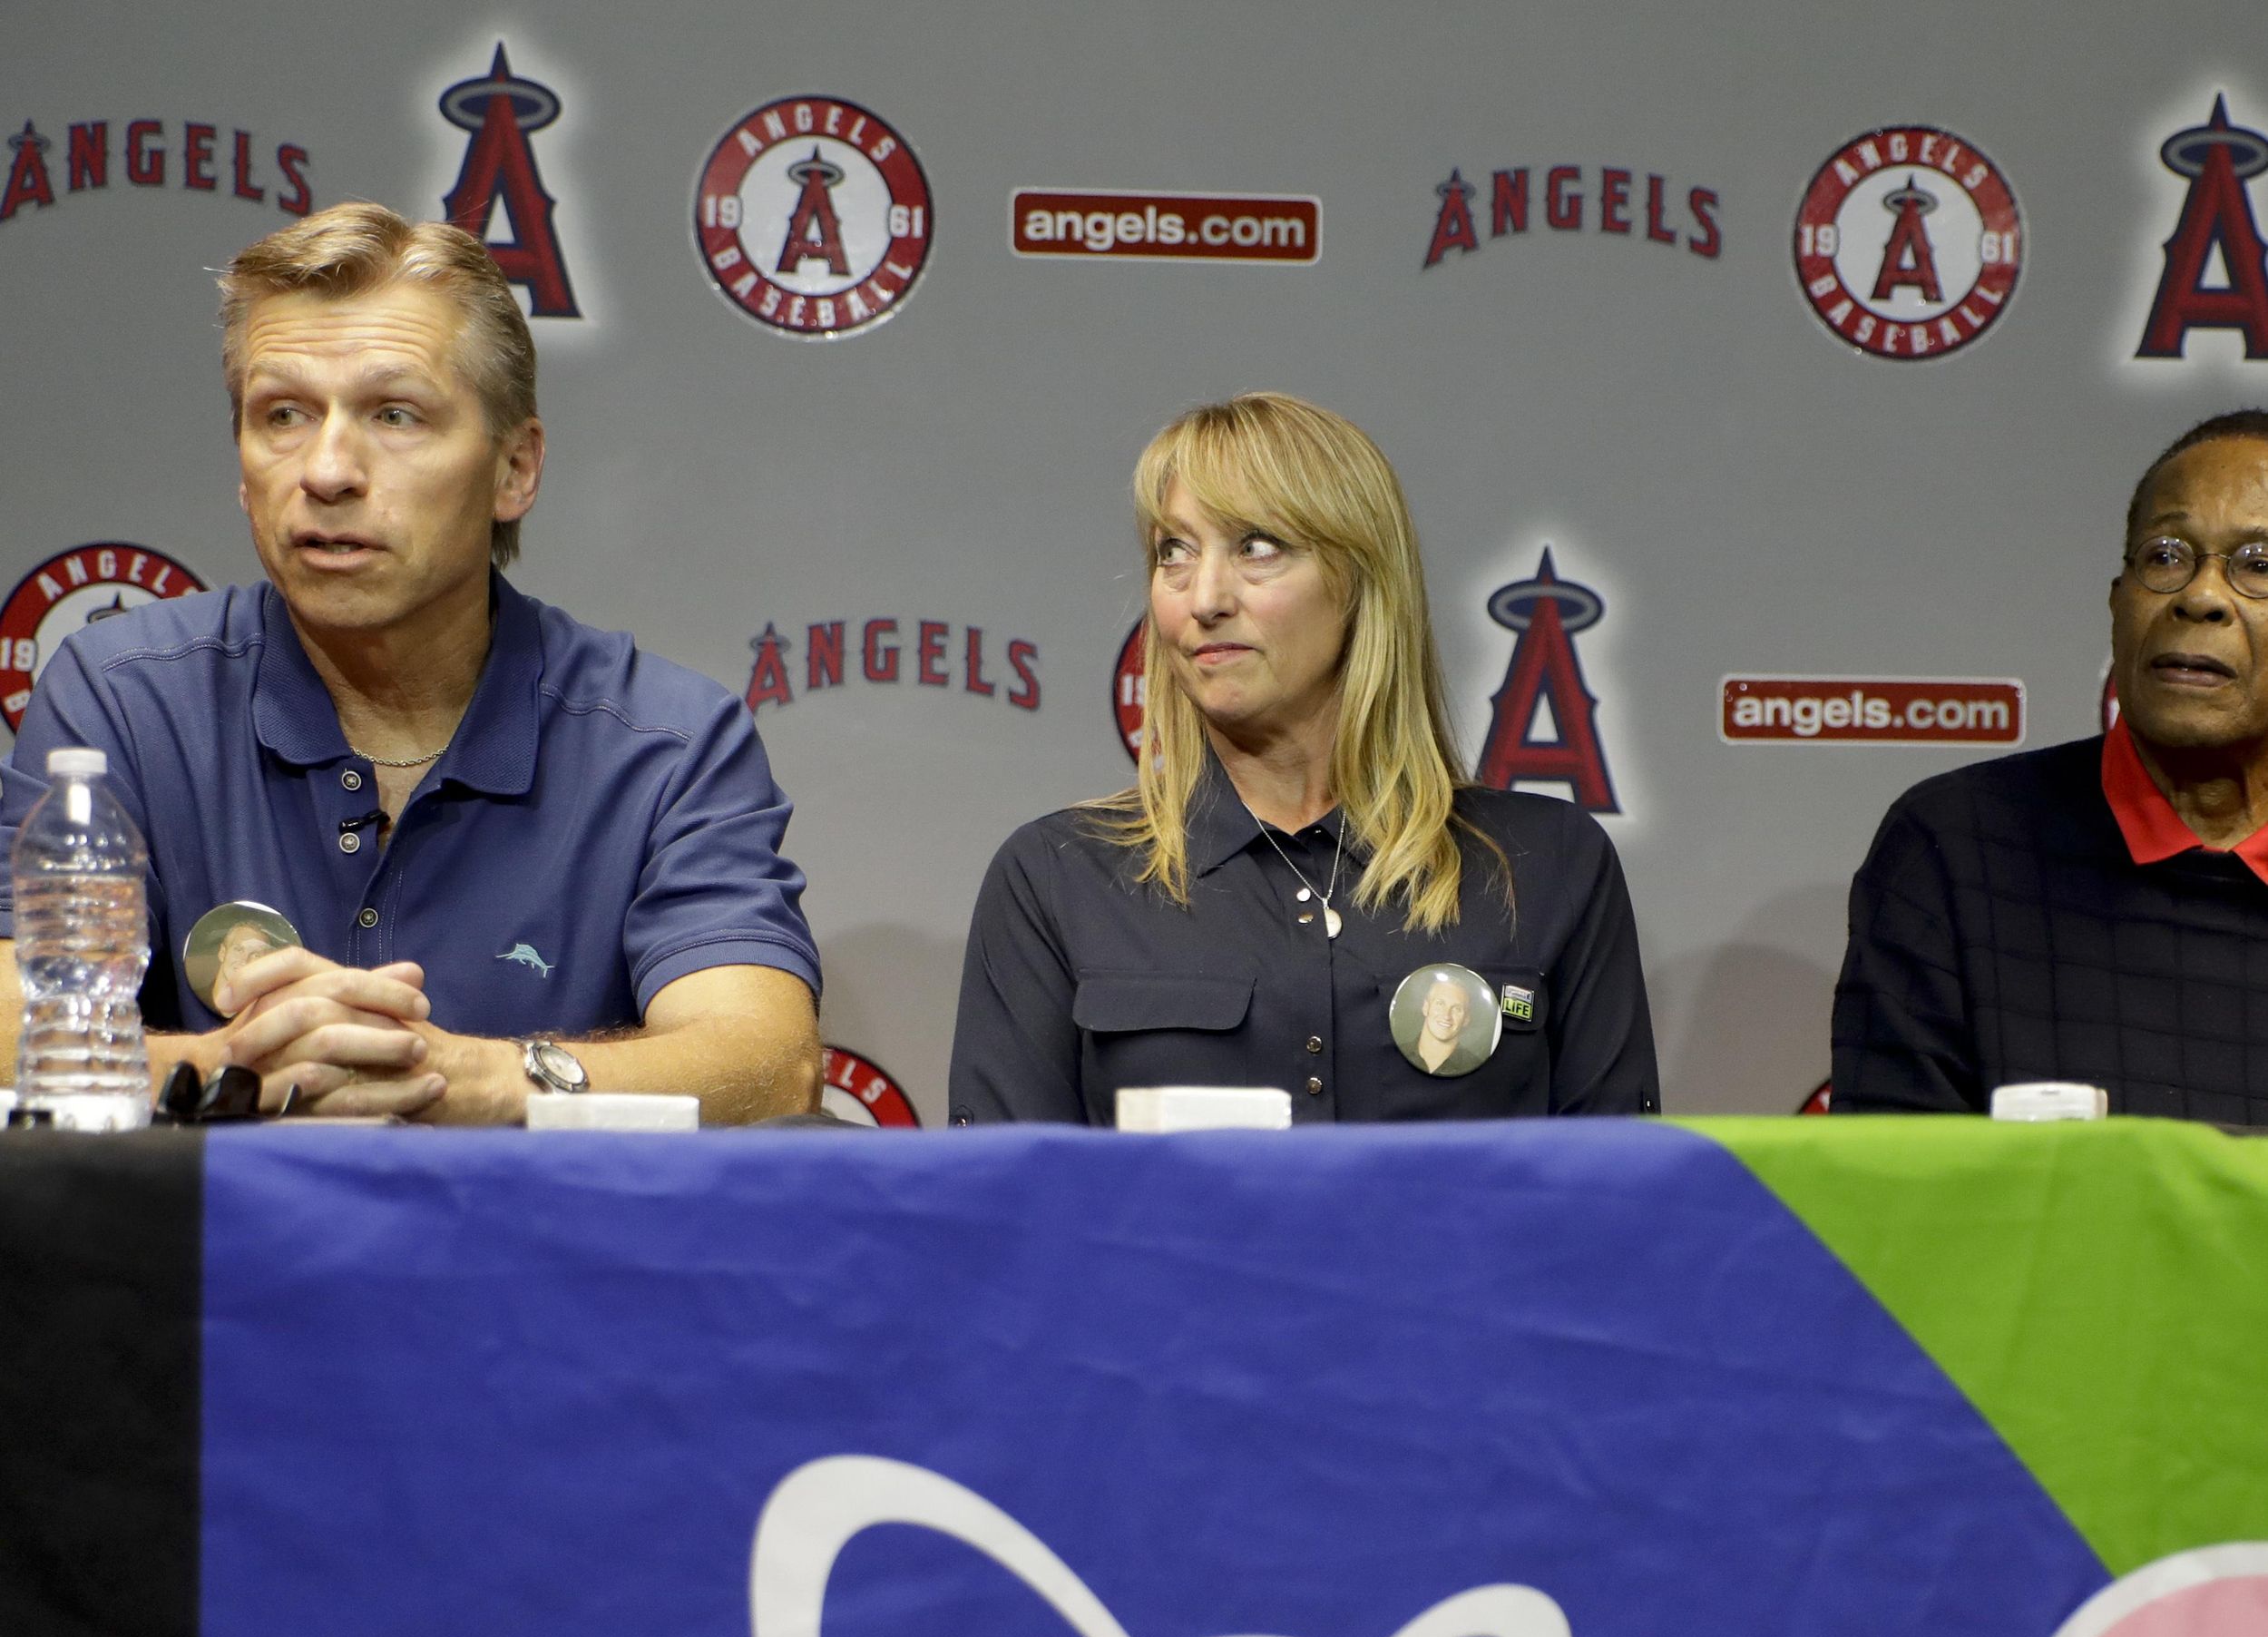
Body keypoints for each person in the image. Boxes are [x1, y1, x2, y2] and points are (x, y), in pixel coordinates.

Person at [0, 202, 820, 1122]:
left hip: (531, 1262)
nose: (328, 470)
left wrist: (475, 1080)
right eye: (283, 415)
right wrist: (235, 1067)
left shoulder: (667, 744)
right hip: (205, 1263)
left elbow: (765, 1060)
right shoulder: (120, 699)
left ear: (515, 469)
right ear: (241, 468)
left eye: (395, 414)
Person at [947, 393, 1657, 1123]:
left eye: (1257, 546)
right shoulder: (1056, 877)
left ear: (1360, 579)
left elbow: (1618, 1209)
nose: (1205, 598)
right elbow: (1006, 1214)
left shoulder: (1548, 865)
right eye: (1174, 552)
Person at [1833, 409, 2268, 1120]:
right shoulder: (1956, 848)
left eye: (2258, 566)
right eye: (2165, 556)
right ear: (2117, 604)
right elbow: (1894, 1205)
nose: (2201, 596)